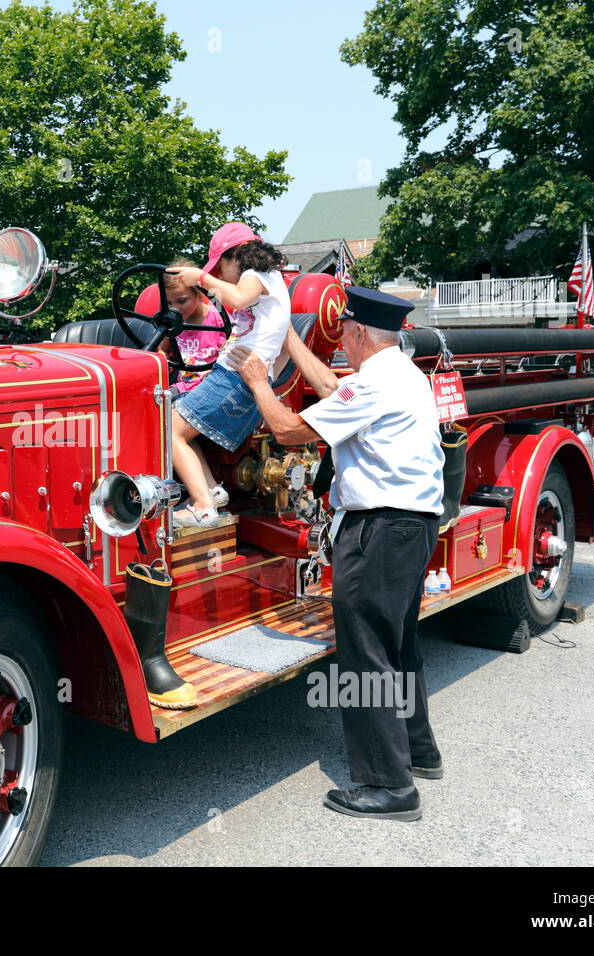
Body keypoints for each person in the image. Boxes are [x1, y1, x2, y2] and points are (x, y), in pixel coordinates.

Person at [227, 286, 445, 821]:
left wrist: (258, 380)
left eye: (343, 335)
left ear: (359, 334)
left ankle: (388, 787)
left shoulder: (374, 383)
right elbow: (329, 386)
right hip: (412, 527)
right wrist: (289, 339)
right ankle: (418, 752)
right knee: (398, 644)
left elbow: (286, 429)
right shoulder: (402, 374)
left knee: (366, 653)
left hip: (377, 529)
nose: (339, 345)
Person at [164, 223, 292, 529]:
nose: (219, 276)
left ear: (236, 256)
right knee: (178, 421)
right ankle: (211, 492)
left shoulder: (255, 276)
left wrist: (202, 278)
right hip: (239, 378)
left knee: (168, 429)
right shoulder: (272, 281)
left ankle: (203, 506)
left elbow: (237, 299)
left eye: (220, 267)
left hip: (234, 378)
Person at [153, 260, 228, 395]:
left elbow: (233, 349)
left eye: (182, 301)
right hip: (182, 386)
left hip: (213, 386)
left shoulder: (218, 319)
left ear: (198, 295)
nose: (175, 308)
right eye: (169, 303)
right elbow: (162, 350)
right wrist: (164, 360)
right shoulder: (171, 322)